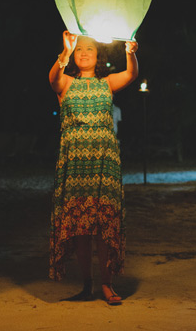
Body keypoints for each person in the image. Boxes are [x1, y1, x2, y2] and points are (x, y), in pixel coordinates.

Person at [49, 31, 138, 305]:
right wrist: (65, 50)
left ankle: (107, 284)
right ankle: (87, 284)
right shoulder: (66, 82)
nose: (84, 53)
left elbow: (131, 74)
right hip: (75, 161)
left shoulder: (107, 83)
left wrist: (130, 52)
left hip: (104, 159)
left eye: (90, 49)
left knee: (104, 224)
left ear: (98, 55)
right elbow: (52, 78)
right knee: (80, 226)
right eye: (80, 50)